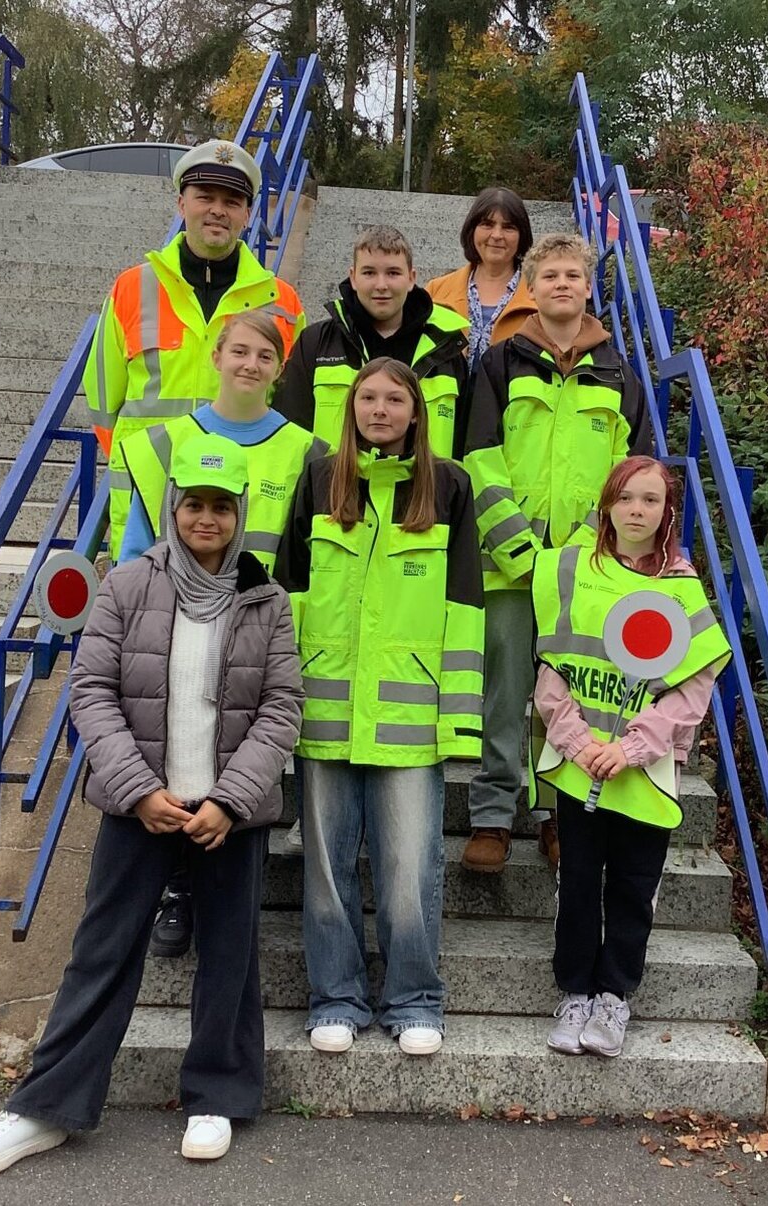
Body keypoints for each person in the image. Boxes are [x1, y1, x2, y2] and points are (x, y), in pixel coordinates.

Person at [0, 435, 302, 1178]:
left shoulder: (268, 600)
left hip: (226, 814)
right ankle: (44, 1108)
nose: (206, 519)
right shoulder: (127, 585)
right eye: (194, 504)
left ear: (239, 515)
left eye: (221, 507)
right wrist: (140, 790)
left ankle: (218, 1095)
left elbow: (281, 708)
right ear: (174, 508)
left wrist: (232, 800)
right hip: (138, 805)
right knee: (101, 954)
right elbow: (92, 693)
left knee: (230, 957)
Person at [274, 358, 484, 1056]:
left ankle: (414, 999)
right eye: (368, 397)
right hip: (326, 713)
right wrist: (281, 707)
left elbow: (463, 614)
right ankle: (335, 997)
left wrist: (458, 722)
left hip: (411, 722)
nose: (380, 408)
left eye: (395, 398)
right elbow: (289, 599)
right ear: (351, 406)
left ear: (417, 411)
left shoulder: (449, 487)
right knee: (327, 872)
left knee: (409, 871)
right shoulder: (318, 478)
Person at [120, 310, 326, 954]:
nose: (250, 365)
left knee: (239, 755)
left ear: (280, 367)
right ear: (215, 355)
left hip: (261, 625)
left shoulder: (306, 449)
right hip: (172, 617)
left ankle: (228, 891)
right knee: (179, 752)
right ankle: (178, 892)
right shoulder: (164, 441)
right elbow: (135, 539)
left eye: (265, 355)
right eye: (239, 351)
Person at [461, 231, 654, 875]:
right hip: (510, 567)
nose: (562, 285)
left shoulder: (619, 372)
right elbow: (480, 461)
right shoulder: (498, 364)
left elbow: (632, 474)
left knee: (568, 695)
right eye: (549, 277)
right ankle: (492, 814)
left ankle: (556, 814)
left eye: (573, 274)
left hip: (584, 573)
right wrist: (519, 547)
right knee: (505, 689)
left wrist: (586, 553)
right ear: (530, 288)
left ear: (589, 285)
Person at [531, 456, 730, 1057]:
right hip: (580, 762)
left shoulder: (680, 585)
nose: (637, 510)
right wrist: (581, 742)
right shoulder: (569, 568)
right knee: (579, 882)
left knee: (634, 886)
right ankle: (575, 993)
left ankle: (614, 997)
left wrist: (634, 746)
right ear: (607, 504)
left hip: (644, 770)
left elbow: (696, 684)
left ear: (667, 511)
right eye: (626, 498)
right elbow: (551, 667)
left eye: (650, 500)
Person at [85, 138, 306, 558]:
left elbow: (291, 409)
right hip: (150, 497)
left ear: (247, 213)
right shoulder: (132, 287)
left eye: (232, 200)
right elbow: (102, 402)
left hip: (240, 499)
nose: (218, 209)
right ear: (181, 204)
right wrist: (139, 462)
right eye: (205, 196)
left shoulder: (284, 303)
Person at [274, 226, 471, 460]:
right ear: (353, 277)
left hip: (425, 495)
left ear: (411, 278)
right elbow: (289, 435)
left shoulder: (445, 350)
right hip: (332, 493)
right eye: (369, 273)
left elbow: (462, 448)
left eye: (393, 273)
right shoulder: (316, 344)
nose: (381, 285)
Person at [425, 187, 536, 373]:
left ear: (522, 235)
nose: (497, 235)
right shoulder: (436, 291)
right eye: (487, 224)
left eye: (508, 227)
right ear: (472, 230)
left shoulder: (538, 298)